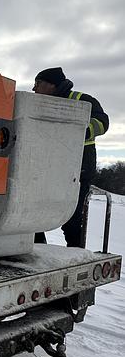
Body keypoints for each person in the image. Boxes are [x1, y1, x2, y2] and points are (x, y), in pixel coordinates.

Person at [32, 67, 109, 247]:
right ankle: (37, 248)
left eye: (38, 83)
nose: (34, 89)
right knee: (34, 209)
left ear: (52, 85)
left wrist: (77, 131)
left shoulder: (83, 101)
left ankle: (75, 252)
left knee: (72, 217)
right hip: (48, 166)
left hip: (78, 168)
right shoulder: (39, 104)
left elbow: (102, 123)